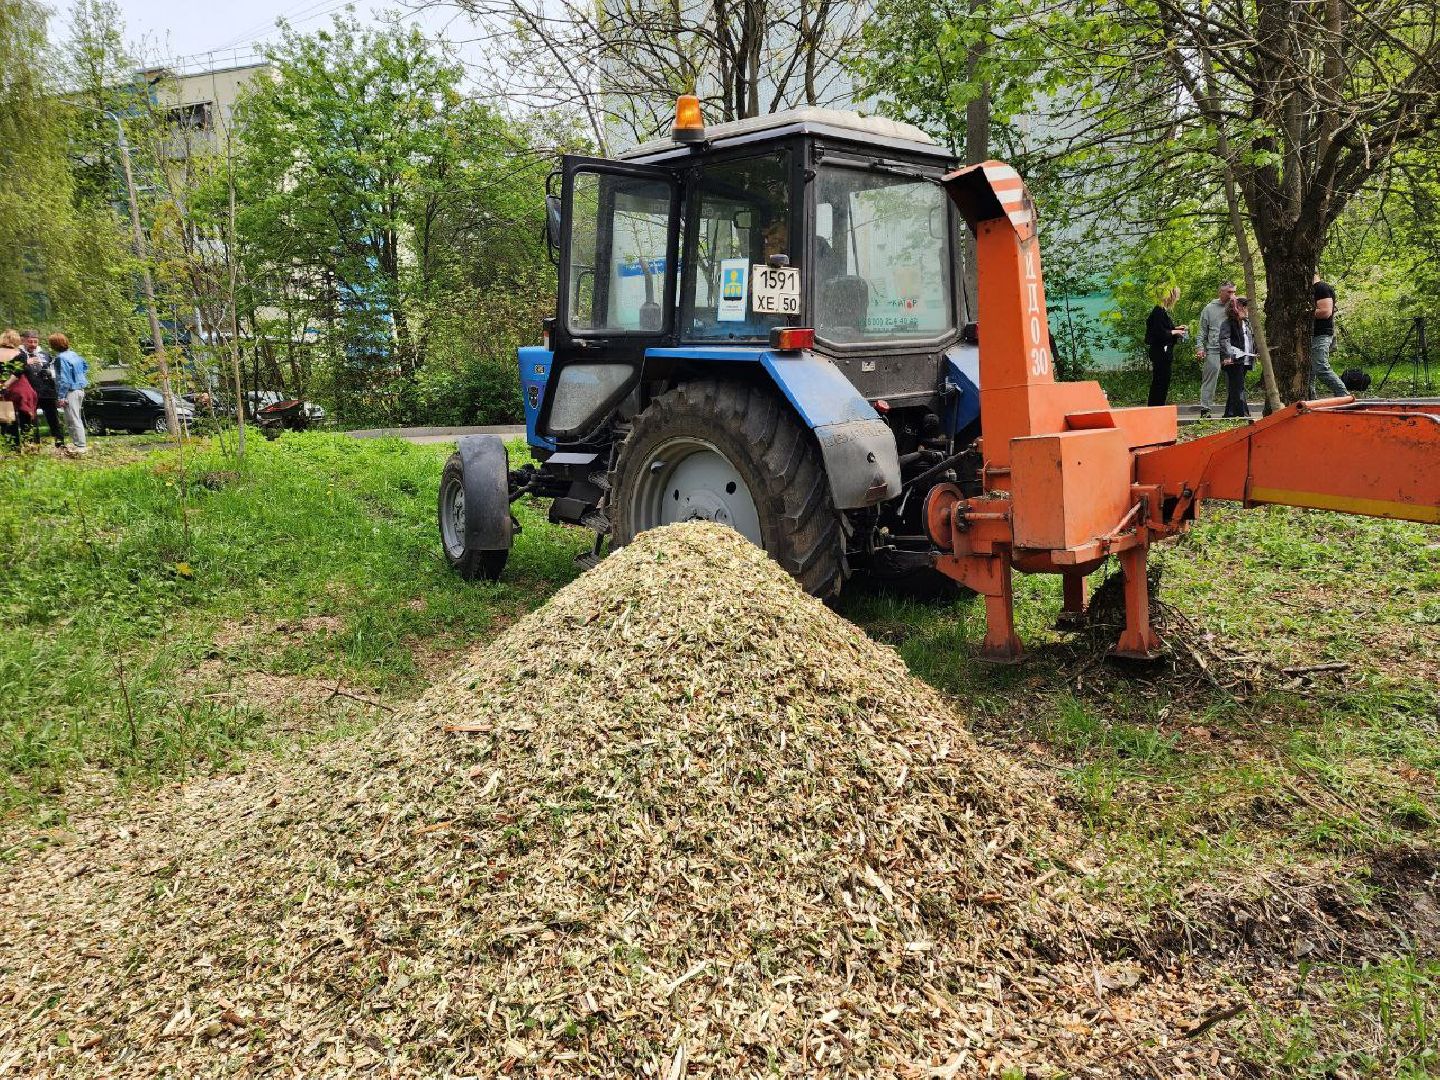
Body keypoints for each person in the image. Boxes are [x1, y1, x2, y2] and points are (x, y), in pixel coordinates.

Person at [1195, 282, 1236, 419]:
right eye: (1228, 292)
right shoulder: (1209, 309)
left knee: (1234, 381)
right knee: (1209, 381)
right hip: (1213, 350)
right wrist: (1200, 347)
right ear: (1221, 292)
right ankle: (1205, 410)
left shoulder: (1236, 305)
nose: (1232, 295)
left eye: (1233, 292)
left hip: (1231, 350)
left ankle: (1233, 410)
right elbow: (1202, 331)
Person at [19, 329, 63, 448]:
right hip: (29, 392)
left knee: (53, 419)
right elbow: (14, 372)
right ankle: (32, 446)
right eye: (30, 342)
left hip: (47, 392)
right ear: (24, 341)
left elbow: (54, 372)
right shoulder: (18, 355)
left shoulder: (45, 354)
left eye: (35, 342)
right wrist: (26, 363)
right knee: (29, 420)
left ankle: (60, 444)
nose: (33, 345)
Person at [1145, 286, 1187, 407]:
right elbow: (1159, 333)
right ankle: (1156, 406)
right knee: (1160, 380)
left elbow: (1164, 329)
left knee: (1163, 380)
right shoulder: (1158, 311)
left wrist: (1176, 329)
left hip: (1164, 351)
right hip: (1160, 351)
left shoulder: (1162, 311)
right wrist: (1174, 332)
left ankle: (1158, 405)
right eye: (1176, 296)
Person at [50, 332, 89, 455]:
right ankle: (78, 444)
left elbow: (64, 379)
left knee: (73, 419)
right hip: (80, 389)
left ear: (54, 345)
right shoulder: (74, 354)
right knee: (75, 417)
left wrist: (61, 396)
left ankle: (80, 446)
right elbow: (85, 366)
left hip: (70, 391)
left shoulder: (60, 359)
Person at [1218, 295, 1255, 418]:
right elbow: (1224, 340)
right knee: (1238, 388)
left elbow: (1251, 339)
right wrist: (1228, 356)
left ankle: (1229, 414)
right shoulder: (1228, 323)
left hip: (1245, 360)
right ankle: (1242, 416)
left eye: (1246, 307)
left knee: (1236, 387)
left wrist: (1257, 351)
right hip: (1234, 361)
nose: (1246, 309)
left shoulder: (1246, 323)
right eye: (1243, 307)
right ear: (1236, 308)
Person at [1310, 273, 1347, 398]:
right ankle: (1310, 399)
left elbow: (1325, 312)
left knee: (1320, 367)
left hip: (1321, 334)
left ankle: (1343, 395)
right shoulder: (1313, 289)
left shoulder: (1321, 287)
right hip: (1312, 334)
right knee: (1309, 370)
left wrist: (1303, 312)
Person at [2, 351, 38, 451]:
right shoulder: (20, 354)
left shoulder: (18, 355)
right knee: (24, 415)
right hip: (19, 389)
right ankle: (27, 445)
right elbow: (19, 370)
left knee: (9, 419)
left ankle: (14, 447)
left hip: (10, 389)